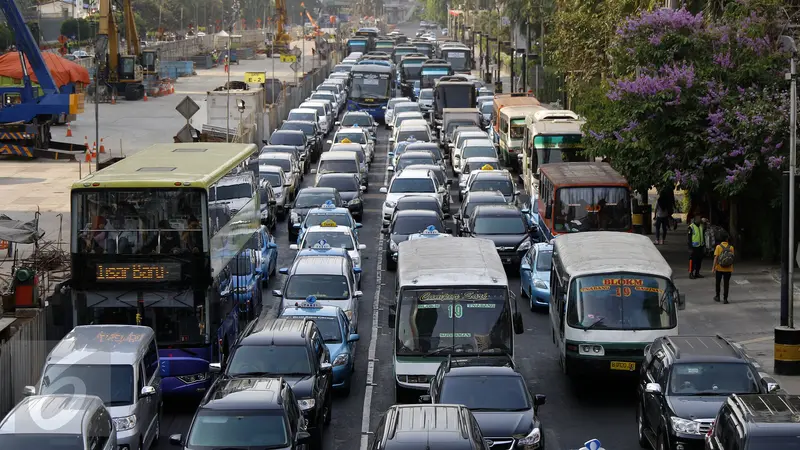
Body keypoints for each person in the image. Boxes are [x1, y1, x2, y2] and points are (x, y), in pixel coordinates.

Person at [712, 232, 734, 304]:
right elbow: (732, 257)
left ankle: (717, 296)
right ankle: (725, 299)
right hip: (728, 268)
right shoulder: (731, 247)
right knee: (726, 284)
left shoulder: (718, 247)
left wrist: (713, 267)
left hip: (719, 268)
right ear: (727, 239)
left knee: (718, 283)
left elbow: (716, 258)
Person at [687, 214, 705, 279]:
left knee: (699, 260)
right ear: (694, 220)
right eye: (697, 219)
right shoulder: (691, 227)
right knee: (692, 261)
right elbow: (689, 239)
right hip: (694, 247)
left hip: (700, 246)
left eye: (699, 218)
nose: (699, 220)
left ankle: (697, 273)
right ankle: (691, 273)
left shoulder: (701, 226)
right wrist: (690, 248)